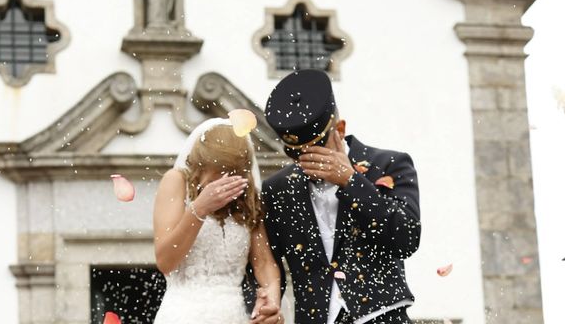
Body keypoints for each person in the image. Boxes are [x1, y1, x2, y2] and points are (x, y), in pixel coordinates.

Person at [258, 70, 421, 324]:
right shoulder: (277, 189)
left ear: (340, 129)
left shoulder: (389, 164)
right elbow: (264, 266)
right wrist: (267, 304)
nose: (309, 164)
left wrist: (351, 181)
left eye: (316, 152)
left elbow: (407, 238)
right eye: (298, 156)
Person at [153, 117, 284, 324]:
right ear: (200, 165)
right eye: (217, 176)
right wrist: (199, 209)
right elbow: (165, 261)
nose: (225, 184)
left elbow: (264, 263)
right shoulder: (176, 181)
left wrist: (271, 300)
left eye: (232, 175)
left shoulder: (246, 194)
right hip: (181, 315)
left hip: (233, 315)